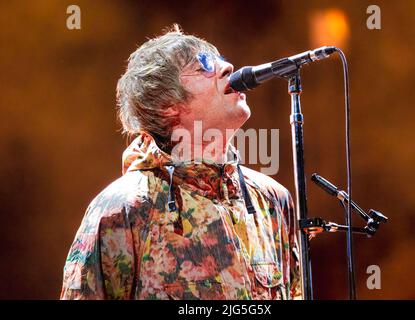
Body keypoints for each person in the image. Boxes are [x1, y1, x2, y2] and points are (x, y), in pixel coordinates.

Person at [60, 25, 302, 300]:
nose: (228, 67)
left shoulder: (272, 200)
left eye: (221, 59)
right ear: (167, 105)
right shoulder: (120, 210)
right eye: (203, 66)